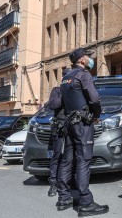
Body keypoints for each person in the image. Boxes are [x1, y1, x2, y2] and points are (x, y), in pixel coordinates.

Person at [58, 48, 109, 216]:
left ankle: (64, 197)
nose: (91, 59)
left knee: (68, 159)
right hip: (82, 123)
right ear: (81, 60)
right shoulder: (84, 74)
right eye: (89, 57)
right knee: (83, 161)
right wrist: (96, 115)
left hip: (70, 122)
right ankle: (86, 202)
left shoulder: (65, 77)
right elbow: (94, 99)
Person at [47, 69, 70, 197]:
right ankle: (53, 184)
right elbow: (53, 105)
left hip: (72, 127)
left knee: (71, 156)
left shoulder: (75, 92)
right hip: (59, 126)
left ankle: (67, 182)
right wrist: (64, 94)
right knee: (57, 155)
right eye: (66, 78)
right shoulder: (57, 91)